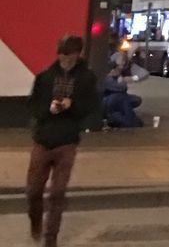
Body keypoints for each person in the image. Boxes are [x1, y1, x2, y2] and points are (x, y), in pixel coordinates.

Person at [26, 34, 99, 247]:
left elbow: (92, 106)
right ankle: (36, 222)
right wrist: (47, 109)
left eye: (69, 56)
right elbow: (32, 105)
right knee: (33, 191)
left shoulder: (86, 78)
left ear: (78, 55)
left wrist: (72, 105)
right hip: (43, 139)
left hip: (67, 141)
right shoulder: (45, 77)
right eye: (62, 56)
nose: (65, 60)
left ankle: (50, 239)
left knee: (58, 192)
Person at [102, 59, 144, 128]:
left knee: (130, 100)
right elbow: (120, 87)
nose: (120, 70)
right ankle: (127, 120)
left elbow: (123, 87)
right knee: (123, 100)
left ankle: (129, 119)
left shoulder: (118, 77)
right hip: (111, 98)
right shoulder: (108, 78)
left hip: (120, 97)